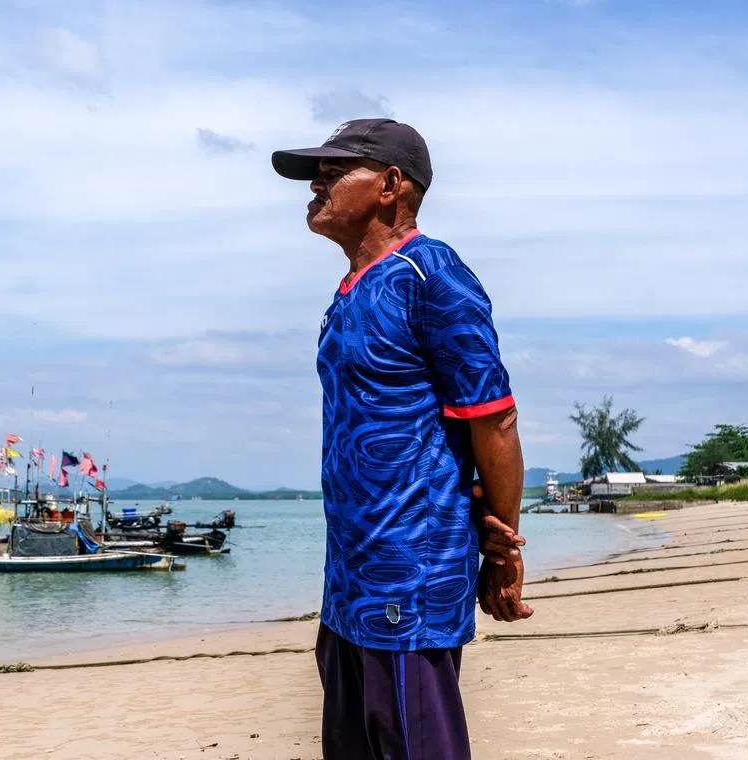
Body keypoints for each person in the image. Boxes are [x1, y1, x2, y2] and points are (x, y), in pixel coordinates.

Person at [272, 118, 533, 759]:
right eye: (316, 172)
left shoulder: (431, 274)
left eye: (335, 170)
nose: (317, 182)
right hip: (348, 578)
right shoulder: (350, 290)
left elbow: (493, 416)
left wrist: (500, 547)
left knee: (415, 744)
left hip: (408, 574)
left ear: (391, 185)